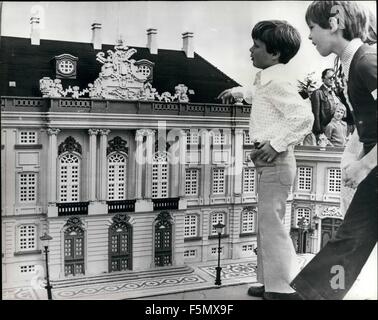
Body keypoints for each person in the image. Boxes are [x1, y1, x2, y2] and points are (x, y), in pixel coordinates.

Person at [218, 20, 314, 300]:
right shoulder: (269, 78)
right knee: (267, 226)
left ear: (273, 54)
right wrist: (240, 92)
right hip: (269, 162)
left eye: (256, 46)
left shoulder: (278, 81)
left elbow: (303, 117)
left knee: (272, 228)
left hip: (277, 161)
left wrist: (276, 143)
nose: (250, 50)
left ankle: (284, 287)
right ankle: (270, 281)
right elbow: (259, 95)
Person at [290, 0, 377, 300]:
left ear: (335, 22)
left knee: (351, 238)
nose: (310, 37)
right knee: (351, 239)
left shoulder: (366, 61)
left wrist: (365, 165)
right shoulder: (353, 62)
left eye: (312, 28)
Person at [310, 68, 345, 144]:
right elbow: (316, 114)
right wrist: (319, 132)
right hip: (324, 131)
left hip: (337, 131)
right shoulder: (318, 93)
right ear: (323, 79)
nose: (332, 80)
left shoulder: (335, 93)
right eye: (330, 78)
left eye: (334, 78)